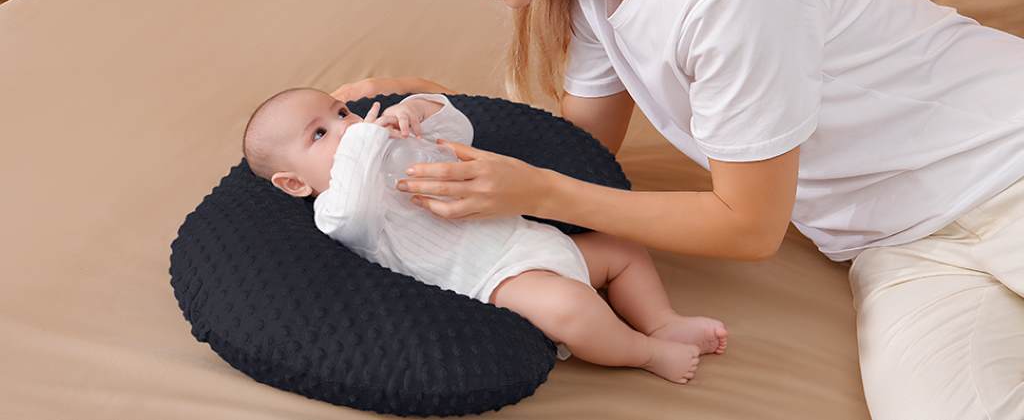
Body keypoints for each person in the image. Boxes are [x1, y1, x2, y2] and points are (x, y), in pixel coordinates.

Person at [332, 0, 1024, 418]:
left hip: (1008, 159)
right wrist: (423, 104)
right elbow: (581, 147)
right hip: (902, 243)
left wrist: (543, 187)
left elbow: (748, 226)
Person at [240, 86, 728, 384]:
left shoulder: (398, 151)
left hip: (535, 241)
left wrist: (417, 109)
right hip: (497, 280)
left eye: (341, 113)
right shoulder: (337, 210)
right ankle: (645, 352)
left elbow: (461, 133)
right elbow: (355, 209)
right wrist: (363, 145)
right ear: (295, 183)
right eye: (319, 135)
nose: (346, 128)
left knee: (621, 246)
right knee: (570, 309)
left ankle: (661, 319)